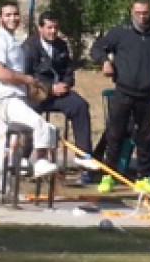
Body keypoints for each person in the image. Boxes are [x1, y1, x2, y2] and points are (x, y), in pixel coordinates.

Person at [90, 0, 150, 195]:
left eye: (145, 13)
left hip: (146, 95)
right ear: (132, 13)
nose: (142, 17)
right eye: (138, 13)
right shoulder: (120, 32)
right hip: (123, 92)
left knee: (145, 137)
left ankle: (144, 178)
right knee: (115, 134)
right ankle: (108, 175)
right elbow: (97, 48)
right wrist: (104, 62)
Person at [0, 0, 58, 203]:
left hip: (16, 96)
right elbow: (1, 73)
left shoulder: (13, 40)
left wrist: (29, 87)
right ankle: (40, 162)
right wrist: (27, 80)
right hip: (5, 97)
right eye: (7, 15)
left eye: (15, 14)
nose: (12, 18)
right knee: (40, 124)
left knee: (5, 147)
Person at [22, 11, 98, 174]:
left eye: (55, 28)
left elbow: (68, 70)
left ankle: (83, 154)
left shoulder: (61, 45)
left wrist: (66, 84)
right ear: (40, 28)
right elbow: (26, 76)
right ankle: (23, 156)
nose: (53, 31)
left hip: (59, 94)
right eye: (49, 28)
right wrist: (49, 88)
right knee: (28, 113)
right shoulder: (28, 47)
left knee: (80, 106)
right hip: (37, 94)